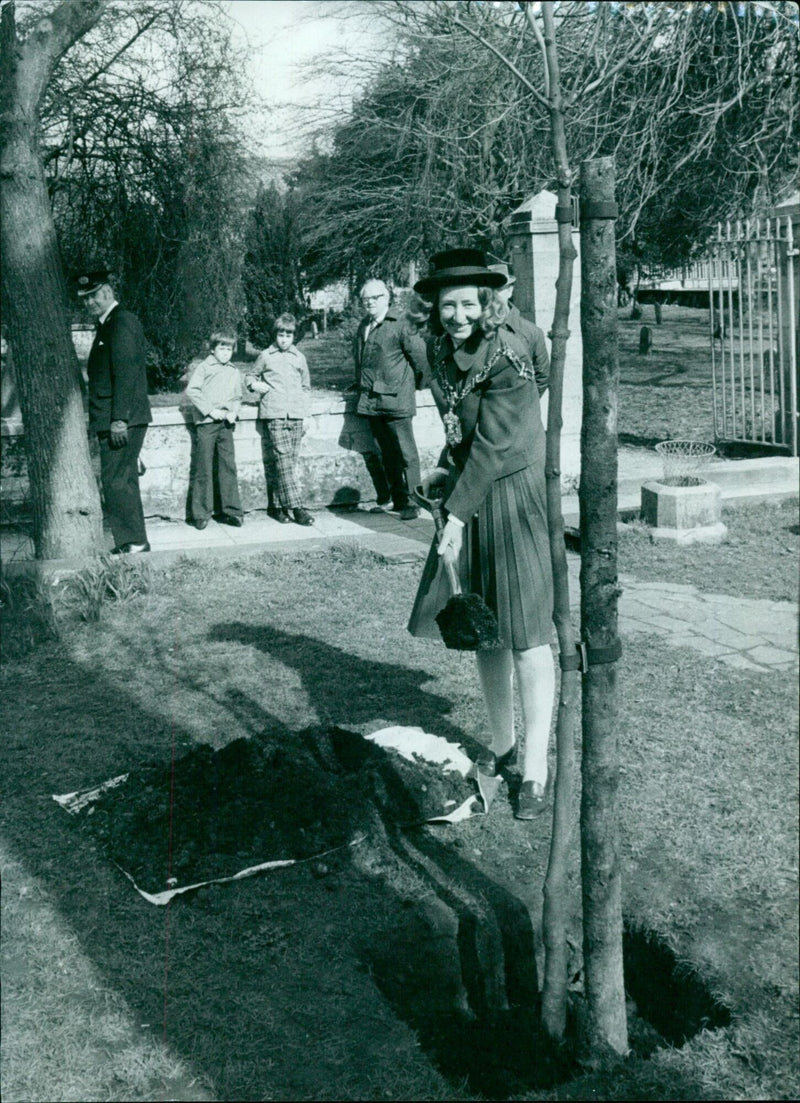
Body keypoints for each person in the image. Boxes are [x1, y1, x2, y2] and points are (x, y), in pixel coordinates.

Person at [407, 248, 555, 819]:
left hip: (514, 498)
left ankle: (536, 770)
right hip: (471, 488)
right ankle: (502, 746)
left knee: (526, 636)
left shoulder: (512, 350)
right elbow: (462, 428)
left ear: (490, 301)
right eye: (448, 305)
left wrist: (458, 518)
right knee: (484, 630)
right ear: (433, 306)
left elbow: (497, 442)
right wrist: (449, 465)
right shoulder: (436, 349)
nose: (458, 315)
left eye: (470, 303)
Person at [78, 268, 151, 554]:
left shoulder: (121, 323)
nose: (89, 303)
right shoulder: (109, 324)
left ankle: (133, 541)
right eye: (85, 299)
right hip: (118, 418)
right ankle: (135, 539)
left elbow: (125, 374)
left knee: (116, 480)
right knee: (123, 478)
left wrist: (119, 419)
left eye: (94, 296)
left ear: (107, 291)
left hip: (120, 419)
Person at [353, 279, 428, 520]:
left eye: (375, 298)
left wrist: (414, 386)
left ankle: (414, 503)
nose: (370, 303)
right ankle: (398, 500)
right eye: (366, 299)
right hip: (372, 402)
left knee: (407, 454)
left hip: (397, 402)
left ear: (387, 298)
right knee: (387, 454)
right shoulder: (364, 326)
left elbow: (422, 360)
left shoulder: (402, 324)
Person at [246, 314, 314, 527]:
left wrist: (306, 415)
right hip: (274, 413)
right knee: (283, 460)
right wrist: (255, 386)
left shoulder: (299, 358)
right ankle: (298, 508)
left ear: (294, 336)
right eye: (280, 334)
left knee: (286, 464)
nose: (284, 339)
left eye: (288, 335)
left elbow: (306, 387)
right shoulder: (266, 356)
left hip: (295, 415)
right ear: (275, 335)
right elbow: (250, 377)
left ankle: (278, 507)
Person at [185, 332, 244, 529]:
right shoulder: (204, 367)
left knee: (228, 466)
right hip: (207, 424)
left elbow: (237, 397)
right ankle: (201, 514)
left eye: (229, 349)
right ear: (212, 349)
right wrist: (210, 411)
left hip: (226, 424)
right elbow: (192, 390)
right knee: (204, 467)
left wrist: (234, 412)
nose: (226, 353)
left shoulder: (234, 371)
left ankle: (232, 511)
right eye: (222, 348)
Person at [487, 258, 550, 397]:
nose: (493, 296)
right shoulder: (474, 330)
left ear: (510, 291)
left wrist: (522, 405)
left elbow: (542, 377)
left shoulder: (531, 332)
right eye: (488, 291)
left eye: (499, 289)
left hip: (520, 411)